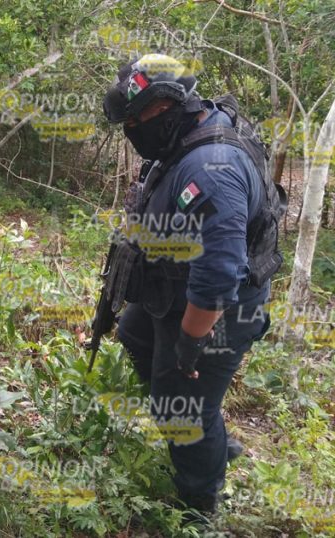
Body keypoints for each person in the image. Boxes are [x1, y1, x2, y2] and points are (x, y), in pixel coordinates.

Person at [101, 54, 284, 519]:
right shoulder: (184, 137)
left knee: (182, 409)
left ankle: (200, 504)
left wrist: (189, 342)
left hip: (218, 306)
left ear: (172, 106)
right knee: (134, 334)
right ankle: (211, 437)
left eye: (142, 117)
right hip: (176, 286)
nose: (135, 128)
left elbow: (219, 274)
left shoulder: (210, 167)